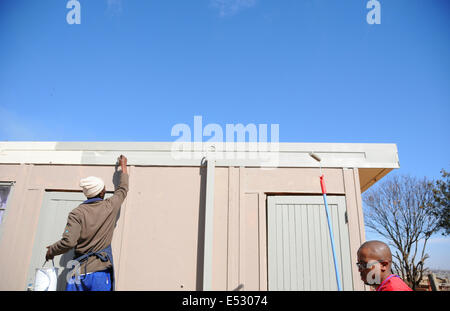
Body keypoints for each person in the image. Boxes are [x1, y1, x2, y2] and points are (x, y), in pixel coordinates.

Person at [45, 155, 129, 291]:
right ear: (102, 192)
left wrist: (52, 251)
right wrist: (123, 166)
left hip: (78, 274)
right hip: (100, 273)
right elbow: (122, 189)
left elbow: (68, 242)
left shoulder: (76, 213)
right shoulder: (110, 206)